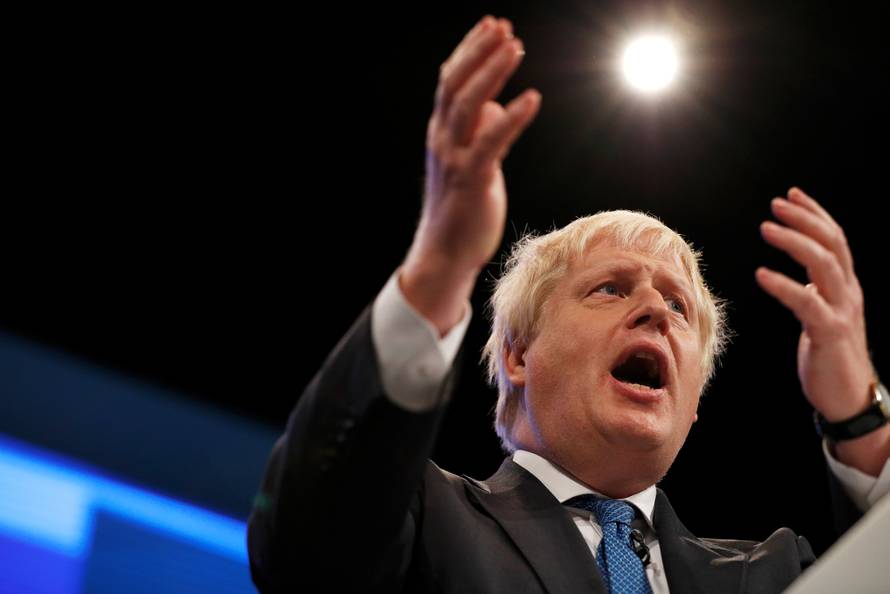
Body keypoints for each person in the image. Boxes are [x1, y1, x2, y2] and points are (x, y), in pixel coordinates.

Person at [247, 16, 890, 593]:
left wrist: (860, 420)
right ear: (519, 352)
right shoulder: (423, 521)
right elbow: (307, 546)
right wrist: (438, 268)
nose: (656, 312)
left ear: (695, 402)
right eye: (610, 288)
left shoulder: (776, 577)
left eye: (679, 306)